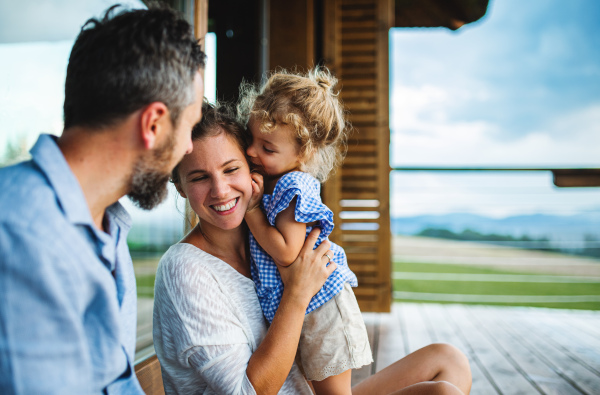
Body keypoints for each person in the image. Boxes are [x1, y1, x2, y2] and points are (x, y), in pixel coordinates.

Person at [153, 102, 472, 395]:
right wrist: (298, 291)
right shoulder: (185, 269)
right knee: (441, 393)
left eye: (231, 169)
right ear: (179, 186)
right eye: (198, 177)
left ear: (253, 166)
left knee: (448, 359)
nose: (221, 190)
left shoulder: (264, 243)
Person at [0, 5, 205, 394]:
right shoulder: (21, 235)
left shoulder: (106, 223)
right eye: (190, 127)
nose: (188, 146)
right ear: (154, 124)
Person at [239, 67, 370, 393]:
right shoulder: (278, 181)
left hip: (324, 312)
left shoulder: (293, 187)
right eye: (250, 140)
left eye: (267, 148)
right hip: (310, 307)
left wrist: (252, 211)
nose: (252, 152)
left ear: (304, 153)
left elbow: (286, 251)